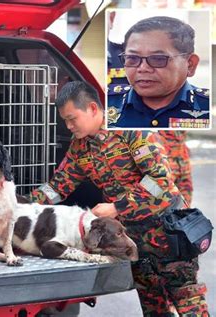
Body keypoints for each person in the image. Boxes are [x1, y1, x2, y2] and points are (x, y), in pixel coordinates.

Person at [29, 81, 208, 316]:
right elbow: (59, 185)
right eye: (65, 120)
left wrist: (117, 207)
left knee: (188, 300)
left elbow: (160, 180)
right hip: (132, 238)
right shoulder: (80, 147)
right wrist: (25, 204)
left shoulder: (131, 130)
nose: (69, 125)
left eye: (72, 118)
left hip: (167, 232)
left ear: (93, 108)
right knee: (152, 304)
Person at [107, 16, 209, 129]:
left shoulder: (206, 106)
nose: (143, 68)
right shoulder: (105, 102)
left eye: (158, 59)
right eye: (133, 58)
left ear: (190, 64)